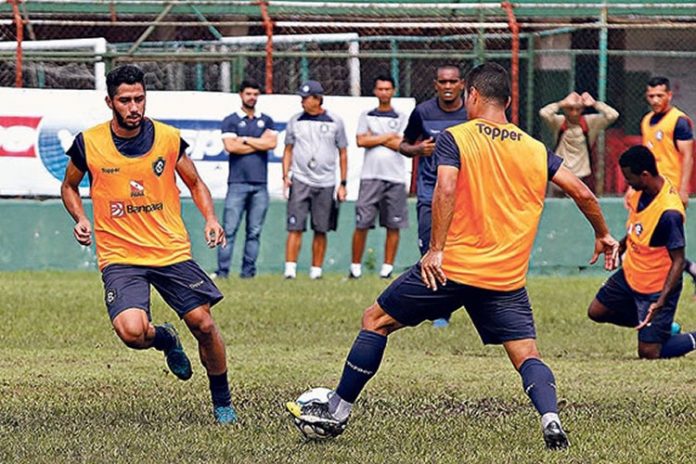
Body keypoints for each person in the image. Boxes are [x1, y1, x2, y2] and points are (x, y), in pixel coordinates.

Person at [286, 63, 619, 450]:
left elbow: (444, 188)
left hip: (452, 268)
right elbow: (582, 192)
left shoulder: (455, 137)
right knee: (527, 354)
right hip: (504, 277)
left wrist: (436, 250)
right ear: (508, 102)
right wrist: (604, 234)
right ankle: (551, 418)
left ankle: (338, 409)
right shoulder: (533, 148)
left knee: (375, 321)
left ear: (472, 96)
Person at [60, 65, 236, 424]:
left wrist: (211, 219)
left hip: (168, 249)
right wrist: (79, 217)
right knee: (132, 332)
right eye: (125, 100)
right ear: (110, 101)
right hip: (120, 254)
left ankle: (223, 403)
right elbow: (68, 186)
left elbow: (196, 183)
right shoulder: (89, 143)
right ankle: (166, 339)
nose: (134, 107)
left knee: (203, 323)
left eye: (139, 98)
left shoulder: (169, 138)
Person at [588, 145, 696, 359]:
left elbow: (678, 260)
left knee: (649, 352)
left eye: (629, 178)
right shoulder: (639, 193)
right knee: (597, 311)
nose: (627, 183)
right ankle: (662, 327)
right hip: (631, 275)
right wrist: (619, 247)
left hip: (656, 287)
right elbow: (637, 230)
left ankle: (665, 329)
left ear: (645, 175)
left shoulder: (669, 213)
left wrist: (662, 300)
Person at [399, 64, 468, 327]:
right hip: (430, 194)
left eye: (452, 82)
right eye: (443, 82)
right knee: (431, 250)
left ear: (462, 84)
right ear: (435, 85)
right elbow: (403, 144)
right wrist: (418, 149)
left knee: (460, 250)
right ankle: (439, 312)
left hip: (466, 196)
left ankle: (470, 304)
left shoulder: (471, 114)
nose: (448, 86)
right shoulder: (423, 112)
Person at [282, 80, 348, 280]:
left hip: (326, 182)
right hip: (300, 179)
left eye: (306, 98)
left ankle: (316, 270)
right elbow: (288, 150)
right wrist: (286, 176)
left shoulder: (335, 121)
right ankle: (290, 270)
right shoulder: (295, 121)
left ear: (318, 99)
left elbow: (343, 152)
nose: (302, 102)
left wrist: (343, 183)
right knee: (295, 227)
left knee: (321, 228)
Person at [212, 79, 277, 279]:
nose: (252, 97)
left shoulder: (266, 120)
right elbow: (231, 147)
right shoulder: (230, 120)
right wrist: (259, 143)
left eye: (255, 94)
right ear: (241, 95)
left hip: (260, 185)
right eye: (248, 93)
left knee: (254, 232)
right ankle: (223, 272)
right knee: (229, 230)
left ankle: (248, 273)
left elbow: (271, 143)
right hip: (237, 184)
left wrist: (246, 140)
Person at [638, 76, 696, 293]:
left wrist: (683, 189)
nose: (655, 100)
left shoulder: (679, 121)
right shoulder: (646, 121)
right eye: (651, 95)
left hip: (669, 192)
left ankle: (669, 286)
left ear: (669, 95)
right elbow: (645, 158)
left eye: (660, 95)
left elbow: (688, 156)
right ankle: (690, 268)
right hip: (650, 191)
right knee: (652, 240)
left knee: (666, 240)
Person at [349, 75, 409, 280]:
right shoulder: (366, 115)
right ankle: (355, 268)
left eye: (387, 89)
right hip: (370, 176)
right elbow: (360, 141)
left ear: (393, 91)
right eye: (380, 89)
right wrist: (387, 137)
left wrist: (374, 138)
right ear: (375, 91)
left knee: (393, 224)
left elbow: (401, 144)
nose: (384, 92)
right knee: (362, 223)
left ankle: (387, 268)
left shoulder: (402, 116)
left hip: (396, 178)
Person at [539, 91, 618, 196]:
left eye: (578, 109)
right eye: (570, 109)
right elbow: (544, 113)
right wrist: (561, 103)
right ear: (565, 109)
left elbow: (613, 115)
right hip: (560, 169)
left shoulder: (590, 122)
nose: (574, 113)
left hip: (581, 172)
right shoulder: (559, 122)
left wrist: (595, 104)